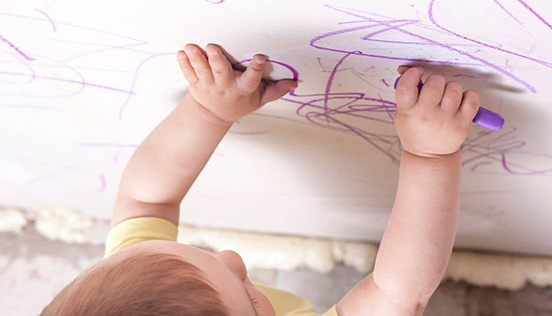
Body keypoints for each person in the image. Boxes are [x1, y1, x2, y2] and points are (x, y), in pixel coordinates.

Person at [41, 42, 480, 316]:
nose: (233, 258)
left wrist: (208, 111)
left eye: (199, 253)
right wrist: (430, 154)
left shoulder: (132, 289)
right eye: (250, 297)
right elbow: (397, 292)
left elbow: (146, 199)